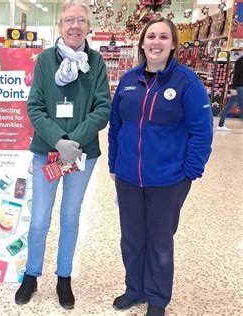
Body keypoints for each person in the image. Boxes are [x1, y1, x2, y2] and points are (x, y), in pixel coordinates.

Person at [108, 17, 213, 316]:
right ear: (142, 43)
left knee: (160, 241)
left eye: (163, 37)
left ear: (173, 44)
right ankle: (135, 289)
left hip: (168, 181)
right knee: (131, 238)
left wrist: (189, 172)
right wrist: (115, 163)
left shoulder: (187, 82)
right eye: (151, 36)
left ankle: (157, 297)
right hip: (128, 177)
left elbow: (202, 131)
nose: (156, 42)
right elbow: (115, 126)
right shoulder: (129, 81)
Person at [14, 0, 111, 310]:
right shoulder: (44, 60)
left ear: (88, 26)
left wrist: (75, 141)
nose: (74, 25)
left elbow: (103, 108)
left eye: (81, 20)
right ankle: (31, 275)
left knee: (70, 216)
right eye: (69, 19)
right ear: (60, 25)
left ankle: (64, 277)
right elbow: (35, 107)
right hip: (47, 153)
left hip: (83, 155)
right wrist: (58, 141)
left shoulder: (96, 63)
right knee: (40, 218)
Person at [217, 55, 243, 131]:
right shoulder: (240, 61)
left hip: (239, 87)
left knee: (230, 105)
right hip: (239, 87)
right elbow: (235, 75)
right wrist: (234, 88)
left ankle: (220, 124)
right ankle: (220, 125)